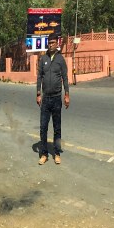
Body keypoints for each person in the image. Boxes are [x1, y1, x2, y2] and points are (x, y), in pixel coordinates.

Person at [36, 36, 70, 165]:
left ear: (57, 44)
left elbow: (65, 77)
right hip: (45, 98)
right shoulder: (43, 59)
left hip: (56, 98)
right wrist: (38, 94)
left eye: (53, 43)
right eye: (49, 43)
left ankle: (56, 153)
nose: (50, 45)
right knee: (43, 127)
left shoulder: (60, 59)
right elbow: (39, 77)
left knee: (57, 128)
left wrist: (67, 95)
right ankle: (44, 154)